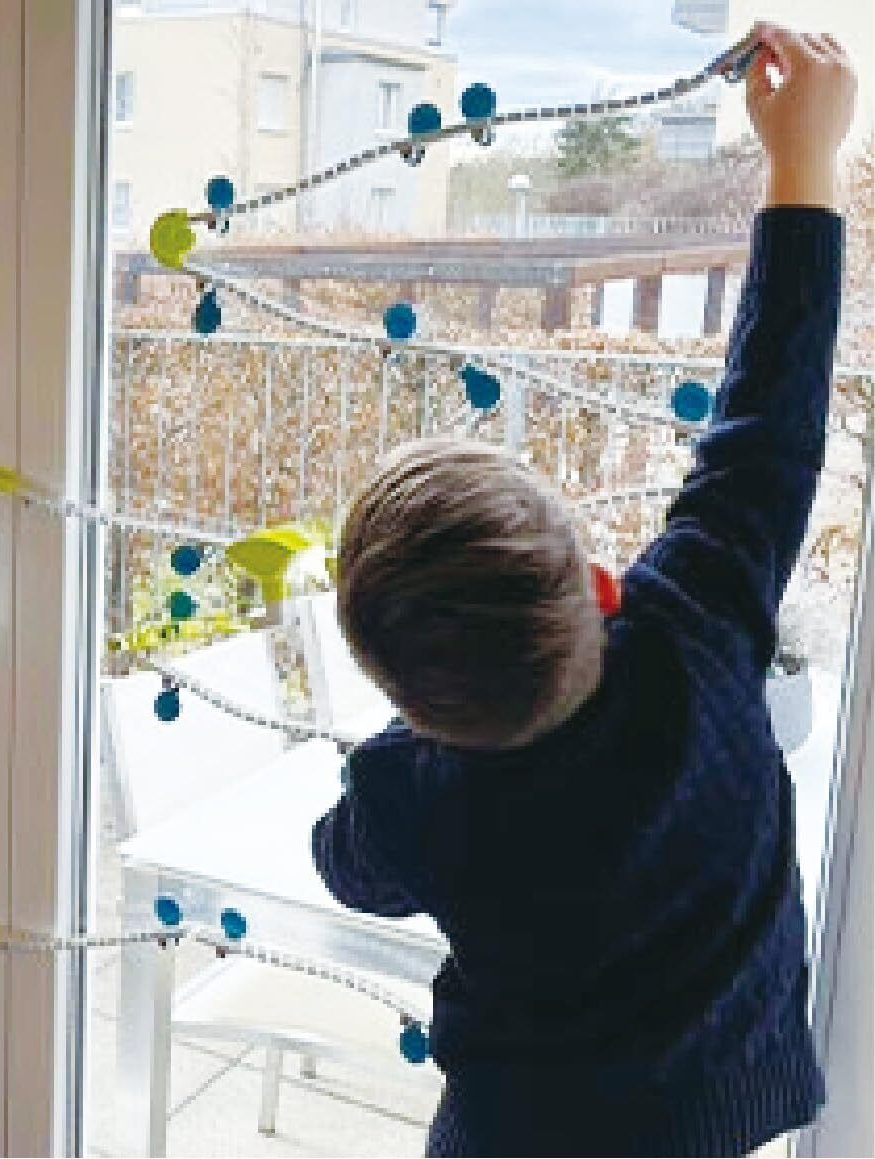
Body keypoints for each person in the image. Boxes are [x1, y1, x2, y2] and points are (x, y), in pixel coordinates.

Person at [313, 23, 856, 1157]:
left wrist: (404, 745)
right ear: (603, 585)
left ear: (412, 698)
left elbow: (344, 865)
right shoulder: (691, 627)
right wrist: (804, 161)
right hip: (716, 1114)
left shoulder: (410, 792)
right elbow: (773, 416)